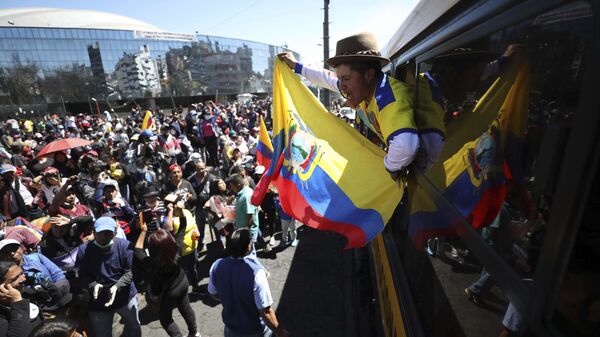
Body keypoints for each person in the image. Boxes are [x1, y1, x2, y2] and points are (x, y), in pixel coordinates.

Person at [278, 32, 441, 180]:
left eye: (346, 79)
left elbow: (405, 145)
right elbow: (327, 79)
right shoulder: (364, 87)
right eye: (340, 78)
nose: (341, 86)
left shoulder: (388, 97)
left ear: (369, 74)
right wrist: (296, 66)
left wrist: (390, 168)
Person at [208, 228, 288, 337]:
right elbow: (266, 312)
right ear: (248, 247)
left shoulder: (217, 265)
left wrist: (229, 299)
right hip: (254, 330)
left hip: (231, 329)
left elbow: (212, 293)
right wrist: (279, 332)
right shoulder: (256, 273)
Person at [75, 217, 140, 337]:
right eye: (100, 233)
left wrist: (117, 286)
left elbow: (130, 271)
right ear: (94, 232)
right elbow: (81, 274)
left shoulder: (125, 246)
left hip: (125, 296)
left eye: (109, 232)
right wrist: (93, 284)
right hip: (98, 301)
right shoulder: (84, 250)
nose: (104, 236)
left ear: (115, 232)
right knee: (102, 334)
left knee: (134, 327)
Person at [135, 224, 200, 337]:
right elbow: (181, 228)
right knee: (185, 307)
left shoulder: (151, 263)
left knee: (166, 319)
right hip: (183, 282)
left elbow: (138, 251)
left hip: (168, 293)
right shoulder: (178, 249)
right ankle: (194, 333)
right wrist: (178, 212)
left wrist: (143, 231)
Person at [0, 260, 42, 337]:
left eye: (21, 274)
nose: (23, 279)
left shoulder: (25, 293)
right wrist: (18, 302)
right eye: (15, 279)